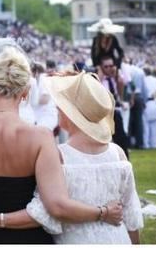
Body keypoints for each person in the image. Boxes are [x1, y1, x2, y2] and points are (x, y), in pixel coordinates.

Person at [0, 40, 123, 244]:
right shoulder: (40, 137)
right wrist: (103, 212)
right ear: (26, 91)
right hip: (28, 238)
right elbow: (56, 206)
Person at [24, 72, 144, 244]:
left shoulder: (58, 155)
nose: (57, 110)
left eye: (60, 107)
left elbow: (44, 212)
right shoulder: (118, 152)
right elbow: (131, 216)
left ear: (69, 113)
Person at [97, 56, 129, 158]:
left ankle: (124, 160)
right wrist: (99, 77)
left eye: (111, 66)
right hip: (104, 114)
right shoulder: (99, 80)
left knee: (121, 139)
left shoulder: (117, 78)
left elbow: (120, 92)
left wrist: (118, 77)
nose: (109, 68)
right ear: (101, 68)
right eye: (106, 67)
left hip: (116, 112)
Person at [142, 67, 156, 149]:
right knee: (155, 128)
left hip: (147, 103)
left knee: (146, 127)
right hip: (155, 103)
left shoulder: (144, 80)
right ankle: (155, 144)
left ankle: (146, 145)